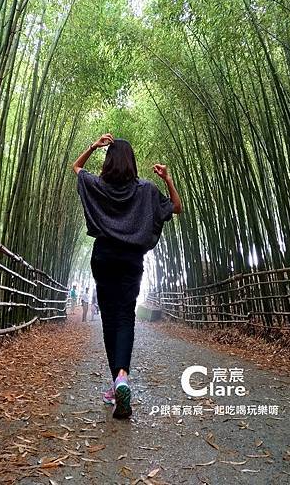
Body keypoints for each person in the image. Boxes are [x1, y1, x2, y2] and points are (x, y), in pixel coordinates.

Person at [72, 134, 182, 419]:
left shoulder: (98, 185)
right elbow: (176, 207)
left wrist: (93, 147)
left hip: (104, 257)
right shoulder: (146, 189)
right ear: (132, 162)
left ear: (108, 161)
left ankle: (117, 382)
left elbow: (76, 168)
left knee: (109, 320)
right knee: (125, 318)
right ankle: (121, 377)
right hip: (131, 260)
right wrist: (167, 178)